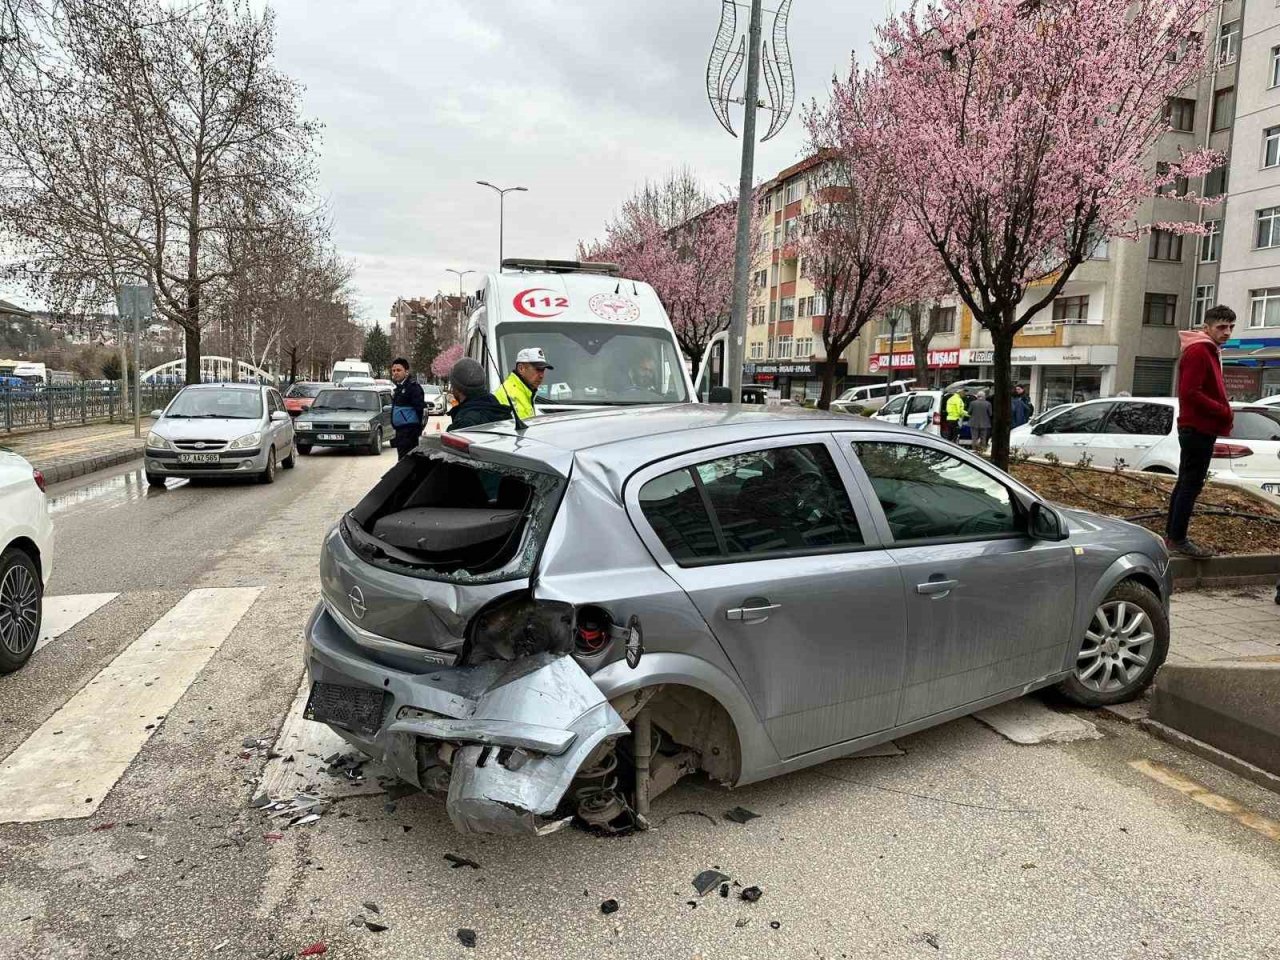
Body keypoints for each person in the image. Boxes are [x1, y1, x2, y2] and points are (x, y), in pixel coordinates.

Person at [1165, 304, 1236, 559]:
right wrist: (1222, 410)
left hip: (1196, 427)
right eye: (1221, 327)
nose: (1227, 332)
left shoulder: (1207, 349)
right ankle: (1178, 539)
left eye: (1231, 327)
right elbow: (1190, 392)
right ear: (1206, 327)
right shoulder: (1199, 351)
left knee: (1186, 482)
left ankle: (1173, 536)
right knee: (1191, 484)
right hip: (1198, 427)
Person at [447, 357, 512, 431]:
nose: (451, 389)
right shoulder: (503, 413)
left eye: (453, 385)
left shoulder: (463, 425)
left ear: (458, 389)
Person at [495, 347, 552, 420]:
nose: (541, 375)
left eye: (543, 370)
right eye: (538, 369)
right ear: (521, 368)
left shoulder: (525, 391)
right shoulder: (509, 393)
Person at [388, 357, 425, 460]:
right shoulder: (398, 388)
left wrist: (417, 431)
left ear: (406, 372)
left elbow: (421, 409)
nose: (395, 373)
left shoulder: (412, 388)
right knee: (402, 461)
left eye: (399, 370)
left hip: (409, 433)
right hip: (400, 433)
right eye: (393, 371)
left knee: (407, 462)